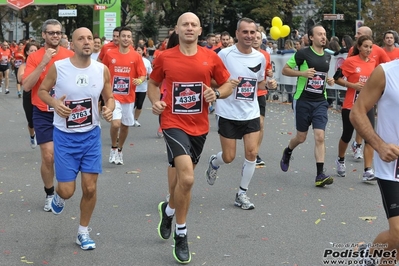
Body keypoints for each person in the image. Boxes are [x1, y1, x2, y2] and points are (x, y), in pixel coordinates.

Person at [148, 12, 236, 264]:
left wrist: (217, 93)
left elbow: (228, 84)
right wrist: (156, 102)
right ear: (176, 29)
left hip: (199, 125)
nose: (189, 28)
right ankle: (182, 233)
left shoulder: (211, 57)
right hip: (172, 122)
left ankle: (169, 211)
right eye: (184, 24)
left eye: (193, 25)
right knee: (186, 176)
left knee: (183, 184)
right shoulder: (165, 57)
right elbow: (153, 84)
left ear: (200, 31)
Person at [38, 27, 114, 250]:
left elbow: (110, 98)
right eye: (81, 39)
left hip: (91, 136)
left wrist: (109, 109)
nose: (87, 42)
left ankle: (83, 232)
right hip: (65, 137)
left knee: (90, 189)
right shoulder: (59, 68)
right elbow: (43, 91)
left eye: (90, 38)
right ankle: (59, 197)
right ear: (72, 44)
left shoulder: (101, 70)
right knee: (67, 191)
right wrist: (54, 104)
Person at [205, 17, 276, 210]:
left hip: (250, 111)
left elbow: (259, 83)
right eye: (245, 32)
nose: (249, 36)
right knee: (229, 157)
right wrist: (226, 84)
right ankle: (214, 161)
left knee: (252, 153)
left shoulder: (260, 57)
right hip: (227, 112)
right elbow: (211, 80)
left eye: (252, 32)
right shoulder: (224, 55)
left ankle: (241, 193)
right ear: (237, 34)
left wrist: (269, 84)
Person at [349, 59, 399, 266]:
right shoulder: (386, 73)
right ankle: (368, 255)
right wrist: (379, 146)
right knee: (397, 234)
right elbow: (357, 111)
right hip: (393, 167)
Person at [22, 19, 74, 211]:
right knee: (48, 155)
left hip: (65, 112)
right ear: (43, 35)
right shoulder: (35, 57)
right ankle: (50, 193)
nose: (55, 36)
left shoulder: (70, 55)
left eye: (58, 33)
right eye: (51, 32)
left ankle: (64, 188)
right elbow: (27, 86)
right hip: (43, 112)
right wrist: (43, 62)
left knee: (66, 156)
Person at [280, 24, 335, 187]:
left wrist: (329, 80)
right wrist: (302, 73)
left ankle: (320, 175)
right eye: (320, 34)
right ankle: (288, 151)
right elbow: (285, 70)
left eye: (324, 34)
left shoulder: (327, 56)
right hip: (302, 100)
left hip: (320, 101)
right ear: (311, 37)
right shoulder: (302, 54)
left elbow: (322, 76)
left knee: (319, 136)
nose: (323, 37)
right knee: (301, 137)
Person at [333, 35, 376, 181]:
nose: (368, 49)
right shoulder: (350, 62)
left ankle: (367, 170)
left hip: (367, 105)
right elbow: (336, 78)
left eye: (370, 47)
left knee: (370, 137)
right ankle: (340, 159)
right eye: (365, 46)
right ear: (359, 47)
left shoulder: (373, 62)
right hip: (351, 105)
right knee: (347, 134)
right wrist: (352, 85)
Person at [101, 26, 146, 165]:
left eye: (128, 36)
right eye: (123, 36)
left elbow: (143, 74)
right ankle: (113, 147)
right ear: (118, 38)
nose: (126, 38)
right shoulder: (110, 54)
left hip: (128, 97)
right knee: (115, 124)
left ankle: (120, 149)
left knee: (126, 126)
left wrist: (140, 80)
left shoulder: (136, 56)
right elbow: (103, 71)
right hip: (113, 96)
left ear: (131, 39)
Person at [347, 26, 390, 160]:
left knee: (366, 120)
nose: (355, 35)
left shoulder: (379, 50)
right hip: (357, 91)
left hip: (373, 89)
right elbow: (349, 67)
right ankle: (356, 146)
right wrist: (352, 83)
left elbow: (389, 67)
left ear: (367, 35)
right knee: (358, 117)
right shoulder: (352, 50)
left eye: (358, 33)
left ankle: (367, 166)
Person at [252, 30, 274, 166]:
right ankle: (250, 148)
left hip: (260, 94)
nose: (255, 40)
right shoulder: (244, 54)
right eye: (254, 37)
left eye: (258, 38)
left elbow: (268, 72)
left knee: (260, 124)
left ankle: (255, 153)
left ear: (261, 41)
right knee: (248, 126)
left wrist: (270, 73)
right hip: (246, 95)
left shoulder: (265, 55)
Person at [18, 42, 40, 149]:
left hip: (40, 93)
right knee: (31, 120)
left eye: (36, 50)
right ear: (27, 52)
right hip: (28, 94)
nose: (34, 52)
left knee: (43, 117)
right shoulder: (24, 66)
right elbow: (20, 78)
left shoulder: (42, 64)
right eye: (31, 50)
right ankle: (32, 135)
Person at [133, 44, 152, 127]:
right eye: (136, 50)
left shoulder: (146, 62)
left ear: (142, 51)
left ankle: (135, 120)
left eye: (139, 50)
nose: (138, 52)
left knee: (139, 105)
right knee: (131, 105)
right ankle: (128, 119)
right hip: (132, 87)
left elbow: (150, 74)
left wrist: (147, 76)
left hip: (142, 88)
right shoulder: (132, 60)